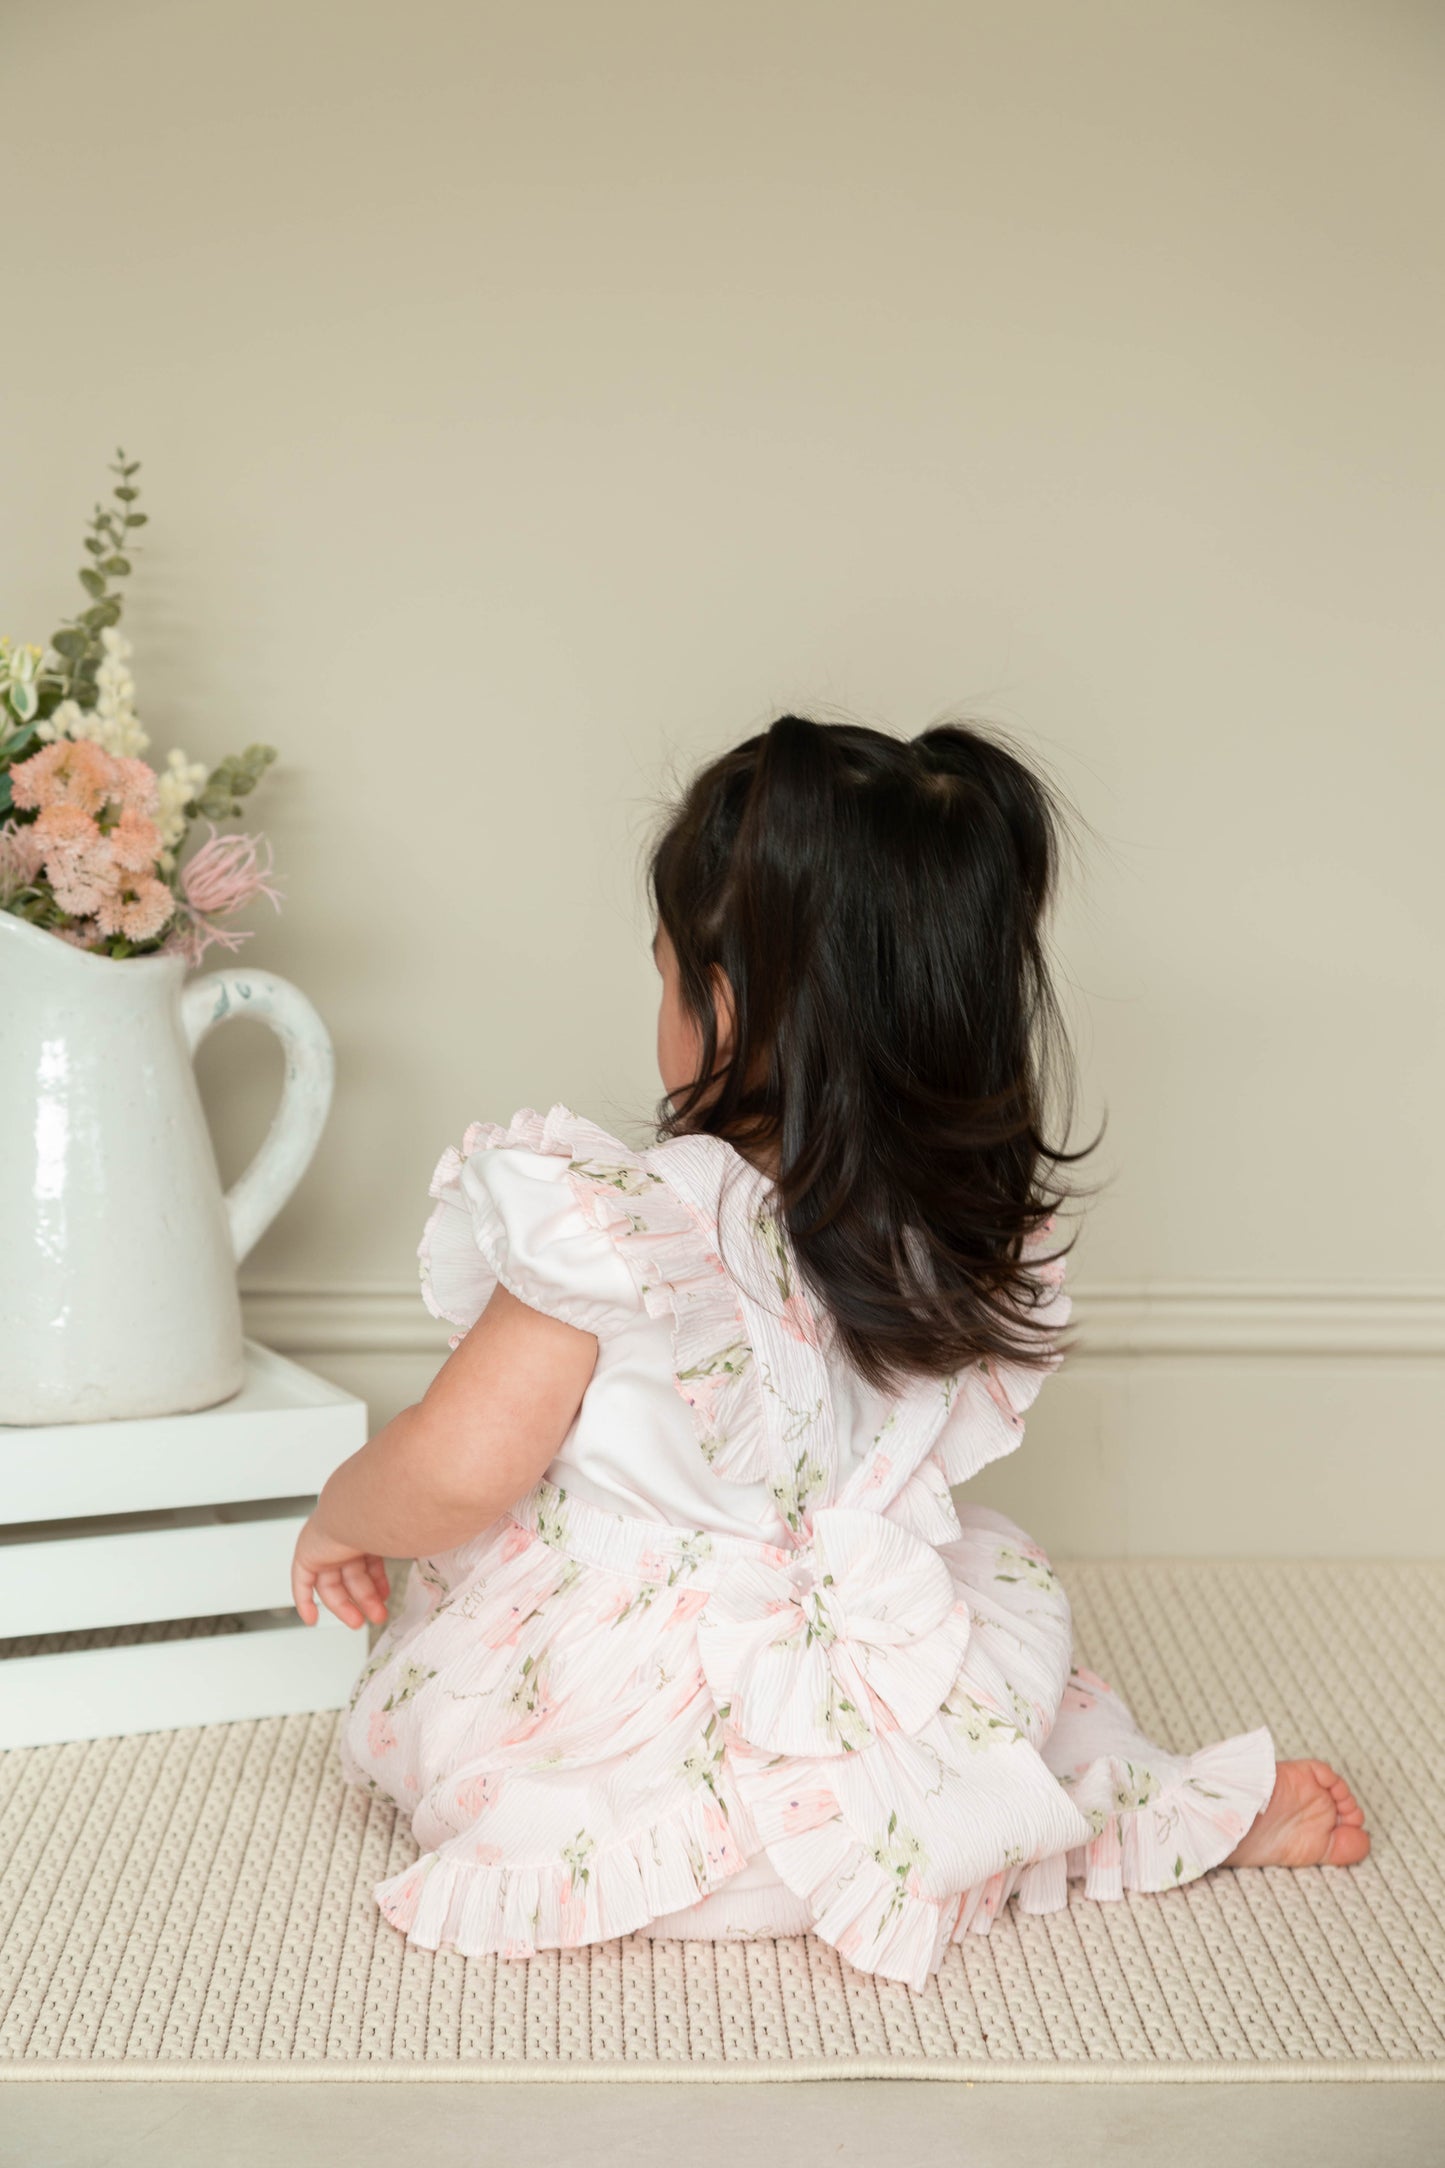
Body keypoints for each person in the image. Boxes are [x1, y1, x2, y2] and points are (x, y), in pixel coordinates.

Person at [291, 715, 1369, 1990]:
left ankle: (725, 1861)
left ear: (725, 998)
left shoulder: (626, 1226)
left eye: (665, 972)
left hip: (646, 1688)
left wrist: (340, 1510)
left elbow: (461, 1465)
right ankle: (1065, 1819)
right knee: (1016, 1727)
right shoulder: (937, 1225)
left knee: (516, 1768)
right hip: (882, 1638)